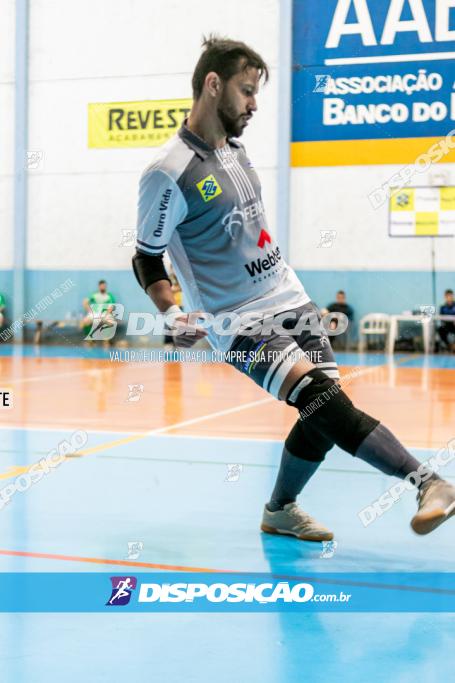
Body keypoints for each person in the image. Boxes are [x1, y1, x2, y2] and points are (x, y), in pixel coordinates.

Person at [132, 35, 455, 539]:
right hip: (237, 322)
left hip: (291, 298)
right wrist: (172, 314)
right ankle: (426, 481)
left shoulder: (236, 149)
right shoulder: (167, 173)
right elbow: (147, 256)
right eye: (246, 91)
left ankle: (280, 510)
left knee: (322, 411)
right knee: (323, 400)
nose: (255, 104)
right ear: (212, 85)